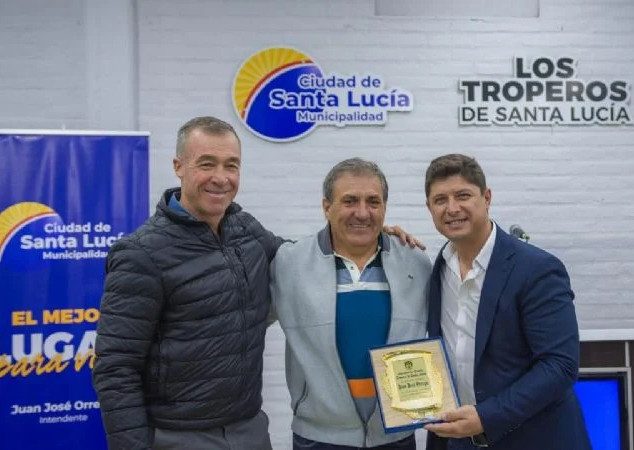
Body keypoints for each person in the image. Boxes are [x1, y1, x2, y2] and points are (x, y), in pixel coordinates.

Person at [92, 117, 422, 450]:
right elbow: (115, 367)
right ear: (178, 167)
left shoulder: (245, 230)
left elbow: (304, 257)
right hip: (179, 435)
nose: (220, 177)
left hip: (248, 429)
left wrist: (373, 236)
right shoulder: (141, 253)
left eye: (231, 165)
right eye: (206, 164)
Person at [421, 154, 591, 450]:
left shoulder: (537, 268)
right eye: (440, 200)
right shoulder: (438, 268)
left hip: (534, 439)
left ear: (487, 198)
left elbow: (560, 365)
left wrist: (486, 417)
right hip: (460, 440)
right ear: (429, 208)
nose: (452, 208)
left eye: (463, 196)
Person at [269, 158, 433, 450]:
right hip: (319, 437)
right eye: (349, 201)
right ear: (326, 207)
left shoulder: (415, 262)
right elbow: (242, 321)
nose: (362, 212)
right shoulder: (289, 263)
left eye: (373, 202)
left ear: (384, 208)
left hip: (395, 438)